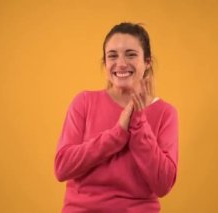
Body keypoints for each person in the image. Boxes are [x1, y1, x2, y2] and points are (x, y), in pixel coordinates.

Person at [54, 22, 179, 212]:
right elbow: (62, 167)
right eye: (112, 55)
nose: (120, 63)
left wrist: (139, 124)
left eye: (131, 54)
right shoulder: (84, 102)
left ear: (147, 62)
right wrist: (117, 134)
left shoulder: (165, 113)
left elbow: (163, 184)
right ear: (105, 63)